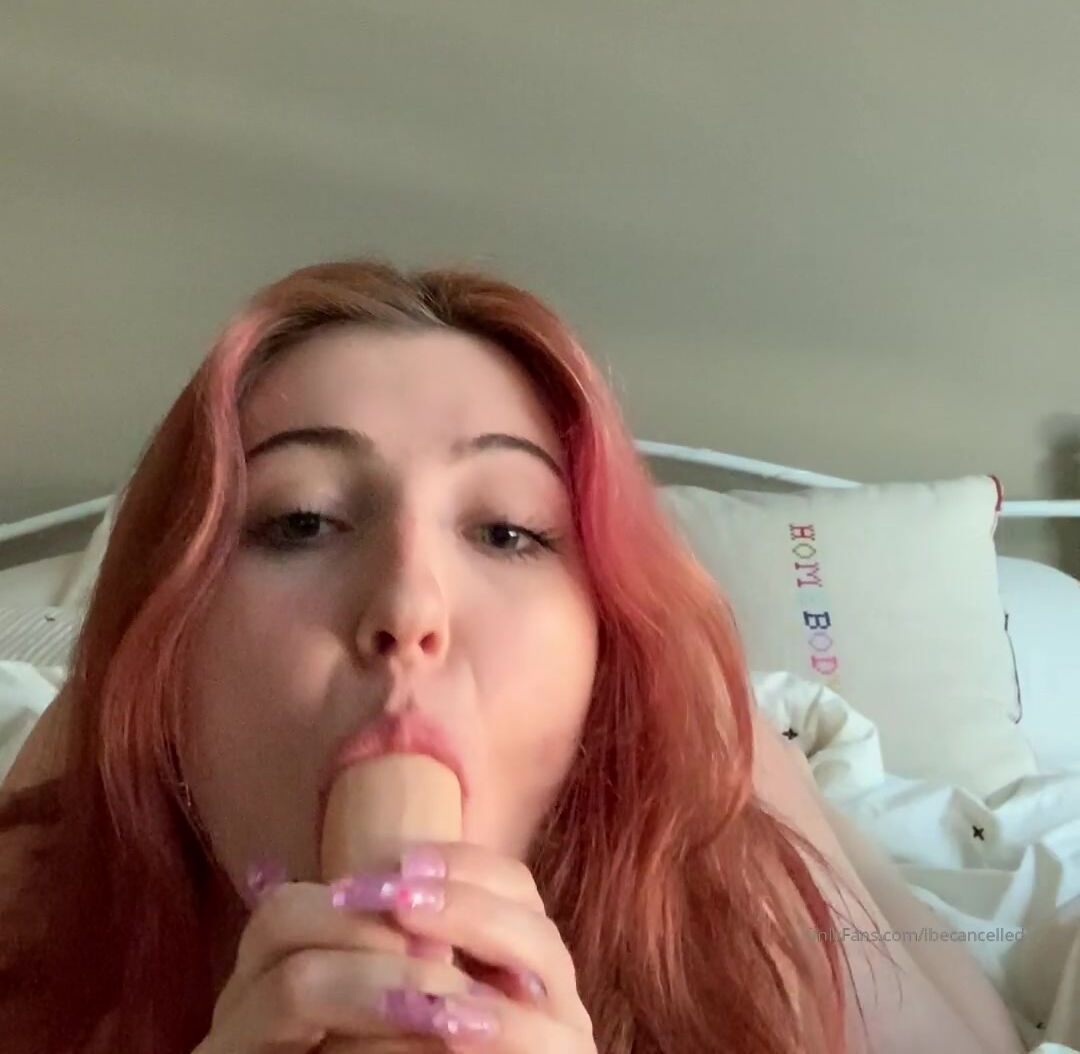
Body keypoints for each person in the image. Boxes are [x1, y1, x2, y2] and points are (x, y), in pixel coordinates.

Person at [0, 258, 1024, 1054]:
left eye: (507, 532)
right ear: (173, 647)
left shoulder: (726, 885)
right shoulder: (57, 861)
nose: (409, 606)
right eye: (302, 520)